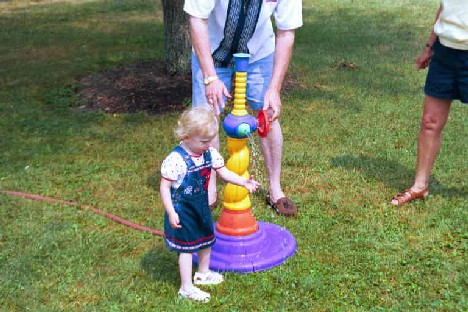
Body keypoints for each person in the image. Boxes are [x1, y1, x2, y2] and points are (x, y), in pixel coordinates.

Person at [183, 0, 302, 216]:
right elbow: (197, 20)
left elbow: (286, 33)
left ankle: (275, 188)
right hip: (211, 50)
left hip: (258, 53)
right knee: (205, 119)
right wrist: (210, 78)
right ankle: (209, 188)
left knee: (268, 115)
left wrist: (274, 88)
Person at [160, 107, 260, 302]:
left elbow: (223, 172)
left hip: (200, 207)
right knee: (187, 248)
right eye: (204, 141)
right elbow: (164, 188)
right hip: (182, 210)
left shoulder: (209, 154)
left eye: (210, 140)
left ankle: (203, 273)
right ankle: (186, 287)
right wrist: (171, 211)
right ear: (187, 137)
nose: (208, 145)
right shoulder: (176, 160)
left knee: (206, 239)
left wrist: (243, 181)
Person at [390, 0, 467, 205]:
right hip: (444, 51)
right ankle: (420, 186)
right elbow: (444, 8)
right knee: (430, 121)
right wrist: (430, 46)